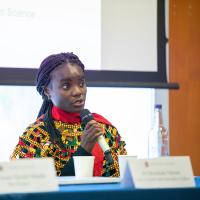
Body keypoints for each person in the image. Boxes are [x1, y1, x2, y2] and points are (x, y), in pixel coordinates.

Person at [10, 52, 127, 176]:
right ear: (47, 91)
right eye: (66, 86)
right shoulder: (36, 135)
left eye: (81, 84)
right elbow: (25, 186)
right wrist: (84, 149)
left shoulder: (106, 129)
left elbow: (125, 180)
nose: (78, 91)